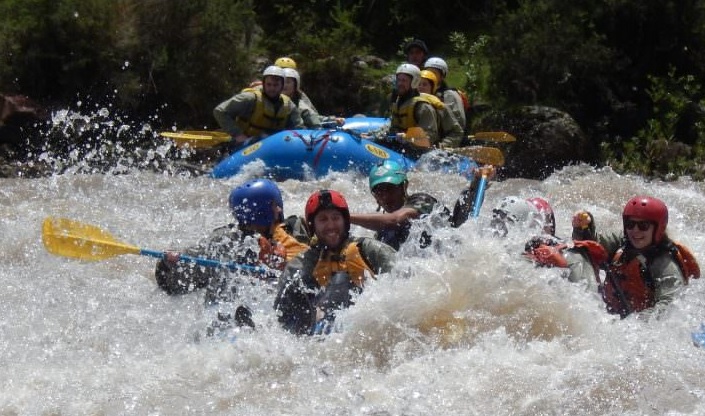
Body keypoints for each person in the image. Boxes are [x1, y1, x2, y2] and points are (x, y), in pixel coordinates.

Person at [155, 178, 310, 331]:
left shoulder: (283, 237)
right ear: (263, 211)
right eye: (275, 206)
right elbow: (171, 284)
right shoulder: (224, 241)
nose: (279, 210)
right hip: (223, 315)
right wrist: (169, 264)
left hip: (259, 312)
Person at [528, 196, 700, 318]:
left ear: (658, 228)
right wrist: (584, 227)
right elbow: (591, 243)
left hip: (637, 326)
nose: (635, 231)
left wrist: (631, 325)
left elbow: (669, 308)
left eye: (643, 226)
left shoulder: (665, 263)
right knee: (579, 252)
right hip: (612, 316)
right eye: (630, 224)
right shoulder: (623, 242)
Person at [273, 189, 397, 335]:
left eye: (335, 218)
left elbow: (404, 282)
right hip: (320, 326)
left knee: (341, 280)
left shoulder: (369, 249)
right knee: (295, 291)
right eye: (323, 219)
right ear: (313, 226)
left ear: (345, 221)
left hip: (363, 321)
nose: (331, 225)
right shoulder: (303, 263)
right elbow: (282, 312)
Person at [350, 160, 492, 250]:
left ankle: (475, 186)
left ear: (404, 186)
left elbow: (396, 219)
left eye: (390, 188)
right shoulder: (383, 234)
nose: (385, 196)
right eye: (379, 191)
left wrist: (345, 215)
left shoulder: (422, 201)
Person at [213, 65, 305, 147]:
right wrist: (238, 135)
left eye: (276, 85)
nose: (272, 88)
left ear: (282, 85)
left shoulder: (289, 105)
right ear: (263, 84)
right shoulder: (249, 98)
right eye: (269, 84)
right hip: (243, 145)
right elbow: (220, 111)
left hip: (272, 146)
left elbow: (299, 128)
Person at [387, 63, 439, 158]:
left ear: (414, 82)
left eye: (404, 80)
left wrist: (408, 138)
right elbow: (393, 127)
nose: (400, 83)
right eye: (398, 80)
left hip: (419, 153)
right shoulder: (398, 101)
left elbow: (429, 137)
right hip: (401, 147)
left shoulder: (422, 107)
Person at [418, 69, 464, 148]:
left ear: (432, 88)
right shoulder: (410, 104)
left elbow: (456, 133)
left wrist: (442, 145)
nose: (421, 87)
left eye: (424, 84)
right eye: (418, 84)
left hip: (434, 147)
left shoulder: (441, 108)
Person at [424, 57, 467, 131]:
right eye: (428, 72)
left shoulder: (450, 94)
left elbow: (460, 121)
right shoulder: (422, 92)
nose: (430, 76)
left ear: (442, 76)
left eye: (434, 73)